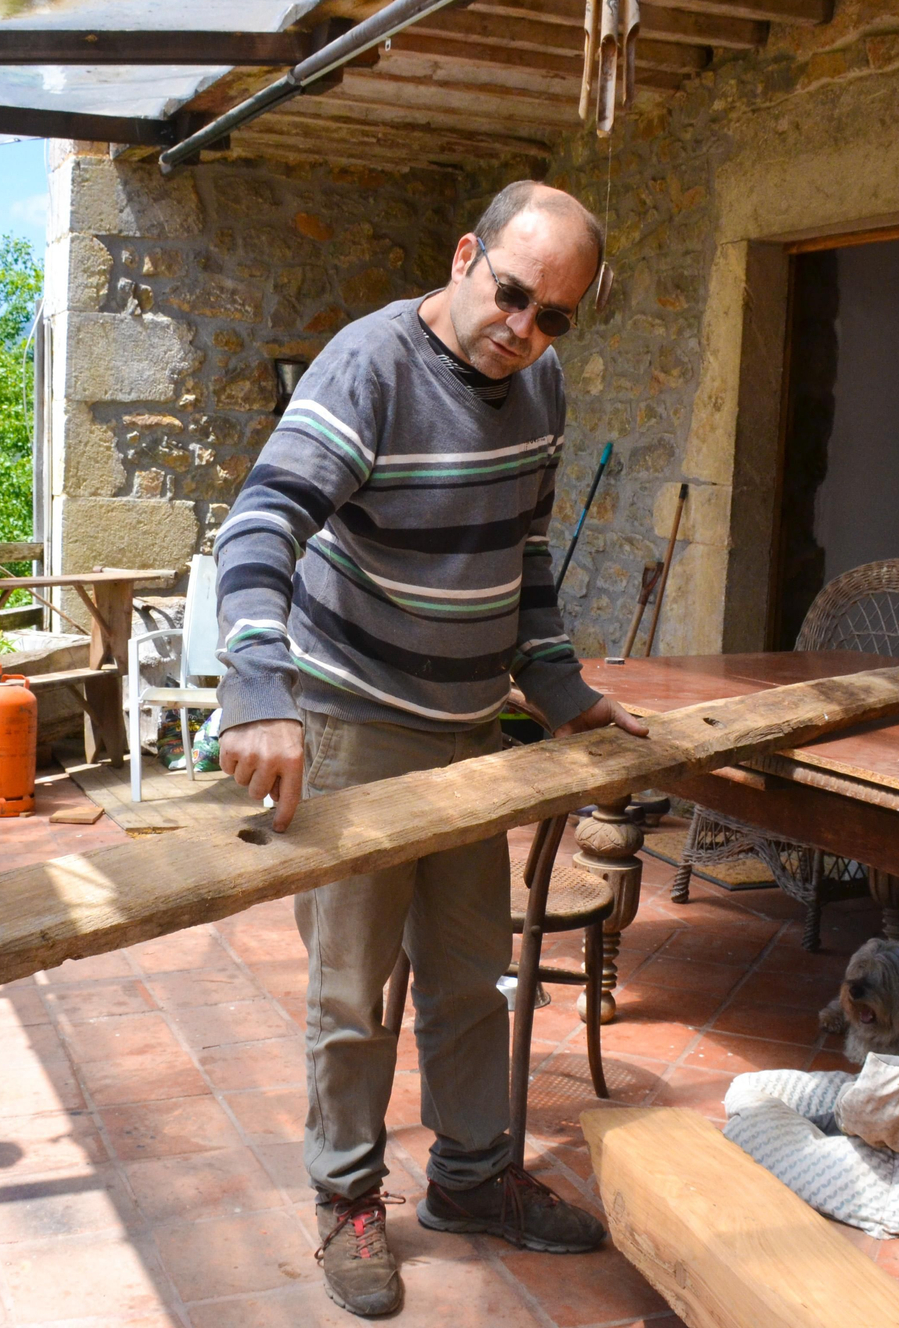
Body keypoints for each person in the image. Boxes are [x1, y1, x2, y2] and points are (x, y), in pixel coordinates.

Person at [213, 180, 647, 1318]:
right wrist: (258, 689)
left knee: (469, 976)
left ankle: (467, 1179)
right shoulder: (367, 369)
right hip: (352, 717)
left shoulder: (537, 381)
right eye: (511, 295)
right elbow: (257, 527)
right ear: (465, 257)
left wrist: (558, 690)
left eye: (554, 315)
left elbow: (528, 551)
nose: (523, 329)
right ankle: (347, 1197)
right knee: (353, 991)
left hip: (467, 729)